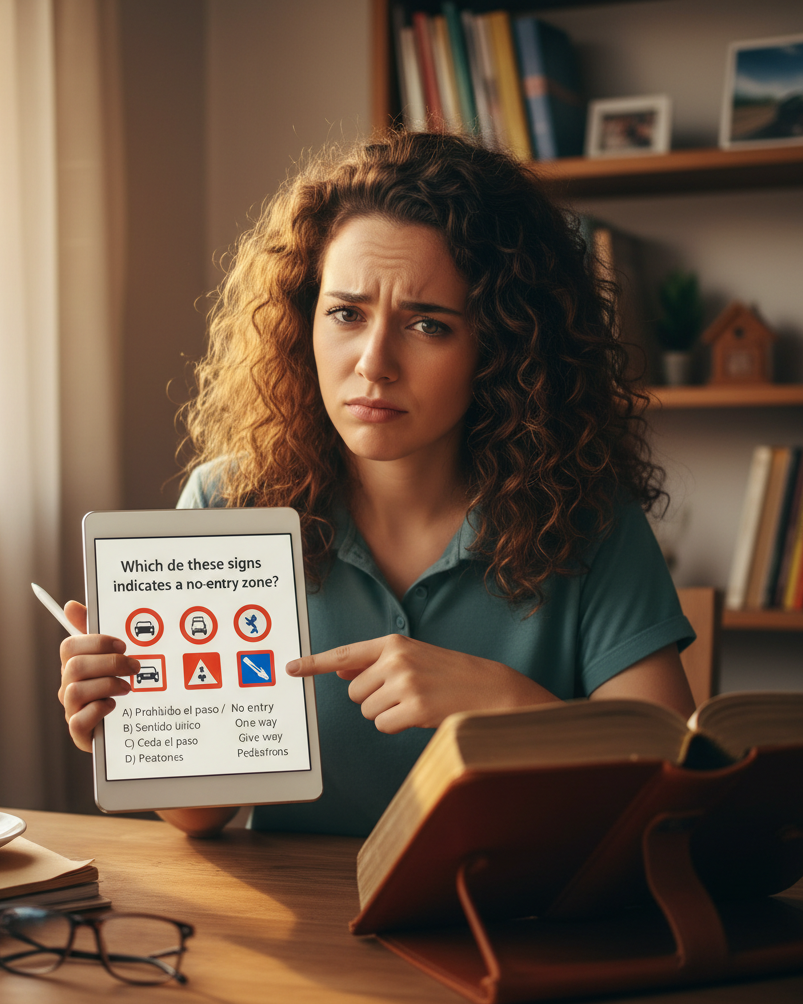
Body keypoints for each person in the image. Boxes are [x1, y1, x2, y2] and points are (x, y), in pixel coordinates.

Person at [59, 132, 695, 839]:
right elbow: (200, 812)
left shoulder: (588, 513)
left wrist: (506, 705)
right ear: (304, 323)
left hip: (516, 920)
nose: (374, 362)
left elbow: (669, 772)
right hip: (309, 931)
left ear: (505, 348)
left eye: (428, 324)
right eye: (346, 314)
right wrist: (131, 725)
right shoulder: (227, 503)